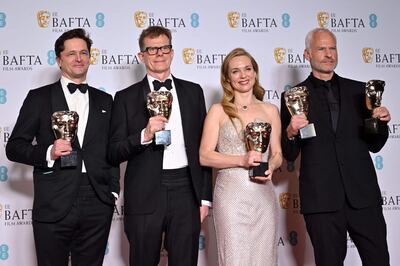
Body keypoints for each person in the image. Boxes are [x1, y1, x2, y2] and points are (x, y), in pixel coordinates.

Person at [6, 28, 119, 266]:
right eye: (71, 54)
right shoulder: (39, 98)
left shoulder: (105, 100)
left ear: (90, 57)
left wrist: (113, 191)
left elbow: (112, 149)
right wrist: (49, 152)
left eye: (83, 53)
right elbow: (14, 147)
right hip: (54, 198)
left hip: (97, 200)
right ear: (59, 60)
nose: (78, 58)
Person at [280, 28, 391, 266]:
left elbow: (375, 145)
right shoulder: (292, 97)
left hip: (363, 196)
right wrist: (290, 132)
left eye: (332, 48)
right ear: (307, 54)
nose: (329, 54)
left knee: (379, 260)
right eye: (322, 49)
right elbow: (290, 153)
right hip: (321, 201)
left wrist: (380, 123)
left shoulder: (360, 91)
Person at [108, 26, 212, 266]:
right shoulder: (125, 98)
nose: (159, 53)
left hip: (187, 190)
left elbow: (203, 149)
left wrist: (205, 198)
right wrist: (143, 135)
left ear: (172, 52)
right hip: (144, 193)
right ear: (141, 56)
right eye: (152, 49)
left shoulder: (193, 92)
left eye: (164, 47)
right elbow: (113, 152)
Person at [200, 48, 282, 266]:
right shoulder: (218, 111)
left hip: (263, 194)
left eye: (248, 69)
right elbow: (205, 156)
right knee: (234, 258)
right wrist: (241, 160)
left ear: (255, 72)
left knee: (265, 258)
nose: (243, 75)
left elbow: (277, 154)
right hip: (230, 196)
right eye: (235, 71)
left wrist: (271, 166)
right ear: (227, 78)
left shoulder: (271, 110)